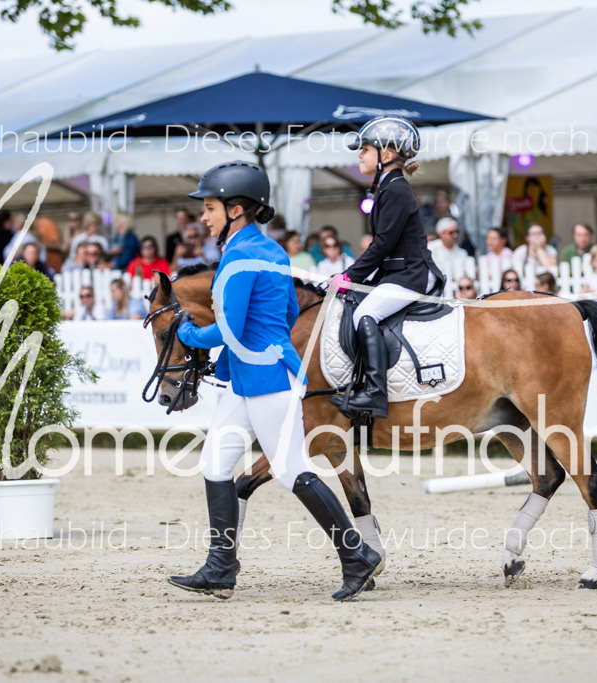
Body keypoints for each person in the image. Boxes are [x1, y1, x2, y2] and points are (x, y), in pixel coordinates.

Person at [168, 161, 383, 602]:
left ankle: (357, 556)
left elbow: (228, 328)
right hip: (251, 377)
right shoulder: (271, 252)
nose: (203, 217)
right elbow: (287, 314)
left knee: (290, 470)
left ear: (237, 209)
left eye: (209, 208)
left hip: (266, 380)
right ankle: (220, 567)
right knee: (215, 463)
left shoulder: (241, 256)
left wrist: (187, 333)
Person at [328, 116, 445, 417]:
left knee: (365, 313)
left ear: (387, 155)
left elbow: (381, 245)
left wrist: (347, 276)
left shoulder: (395, 190)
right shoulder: (388, 187)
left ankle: (375, 393)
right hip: (398, 273)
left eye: (365, 149)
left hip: (412, 275)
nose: (360, 155)